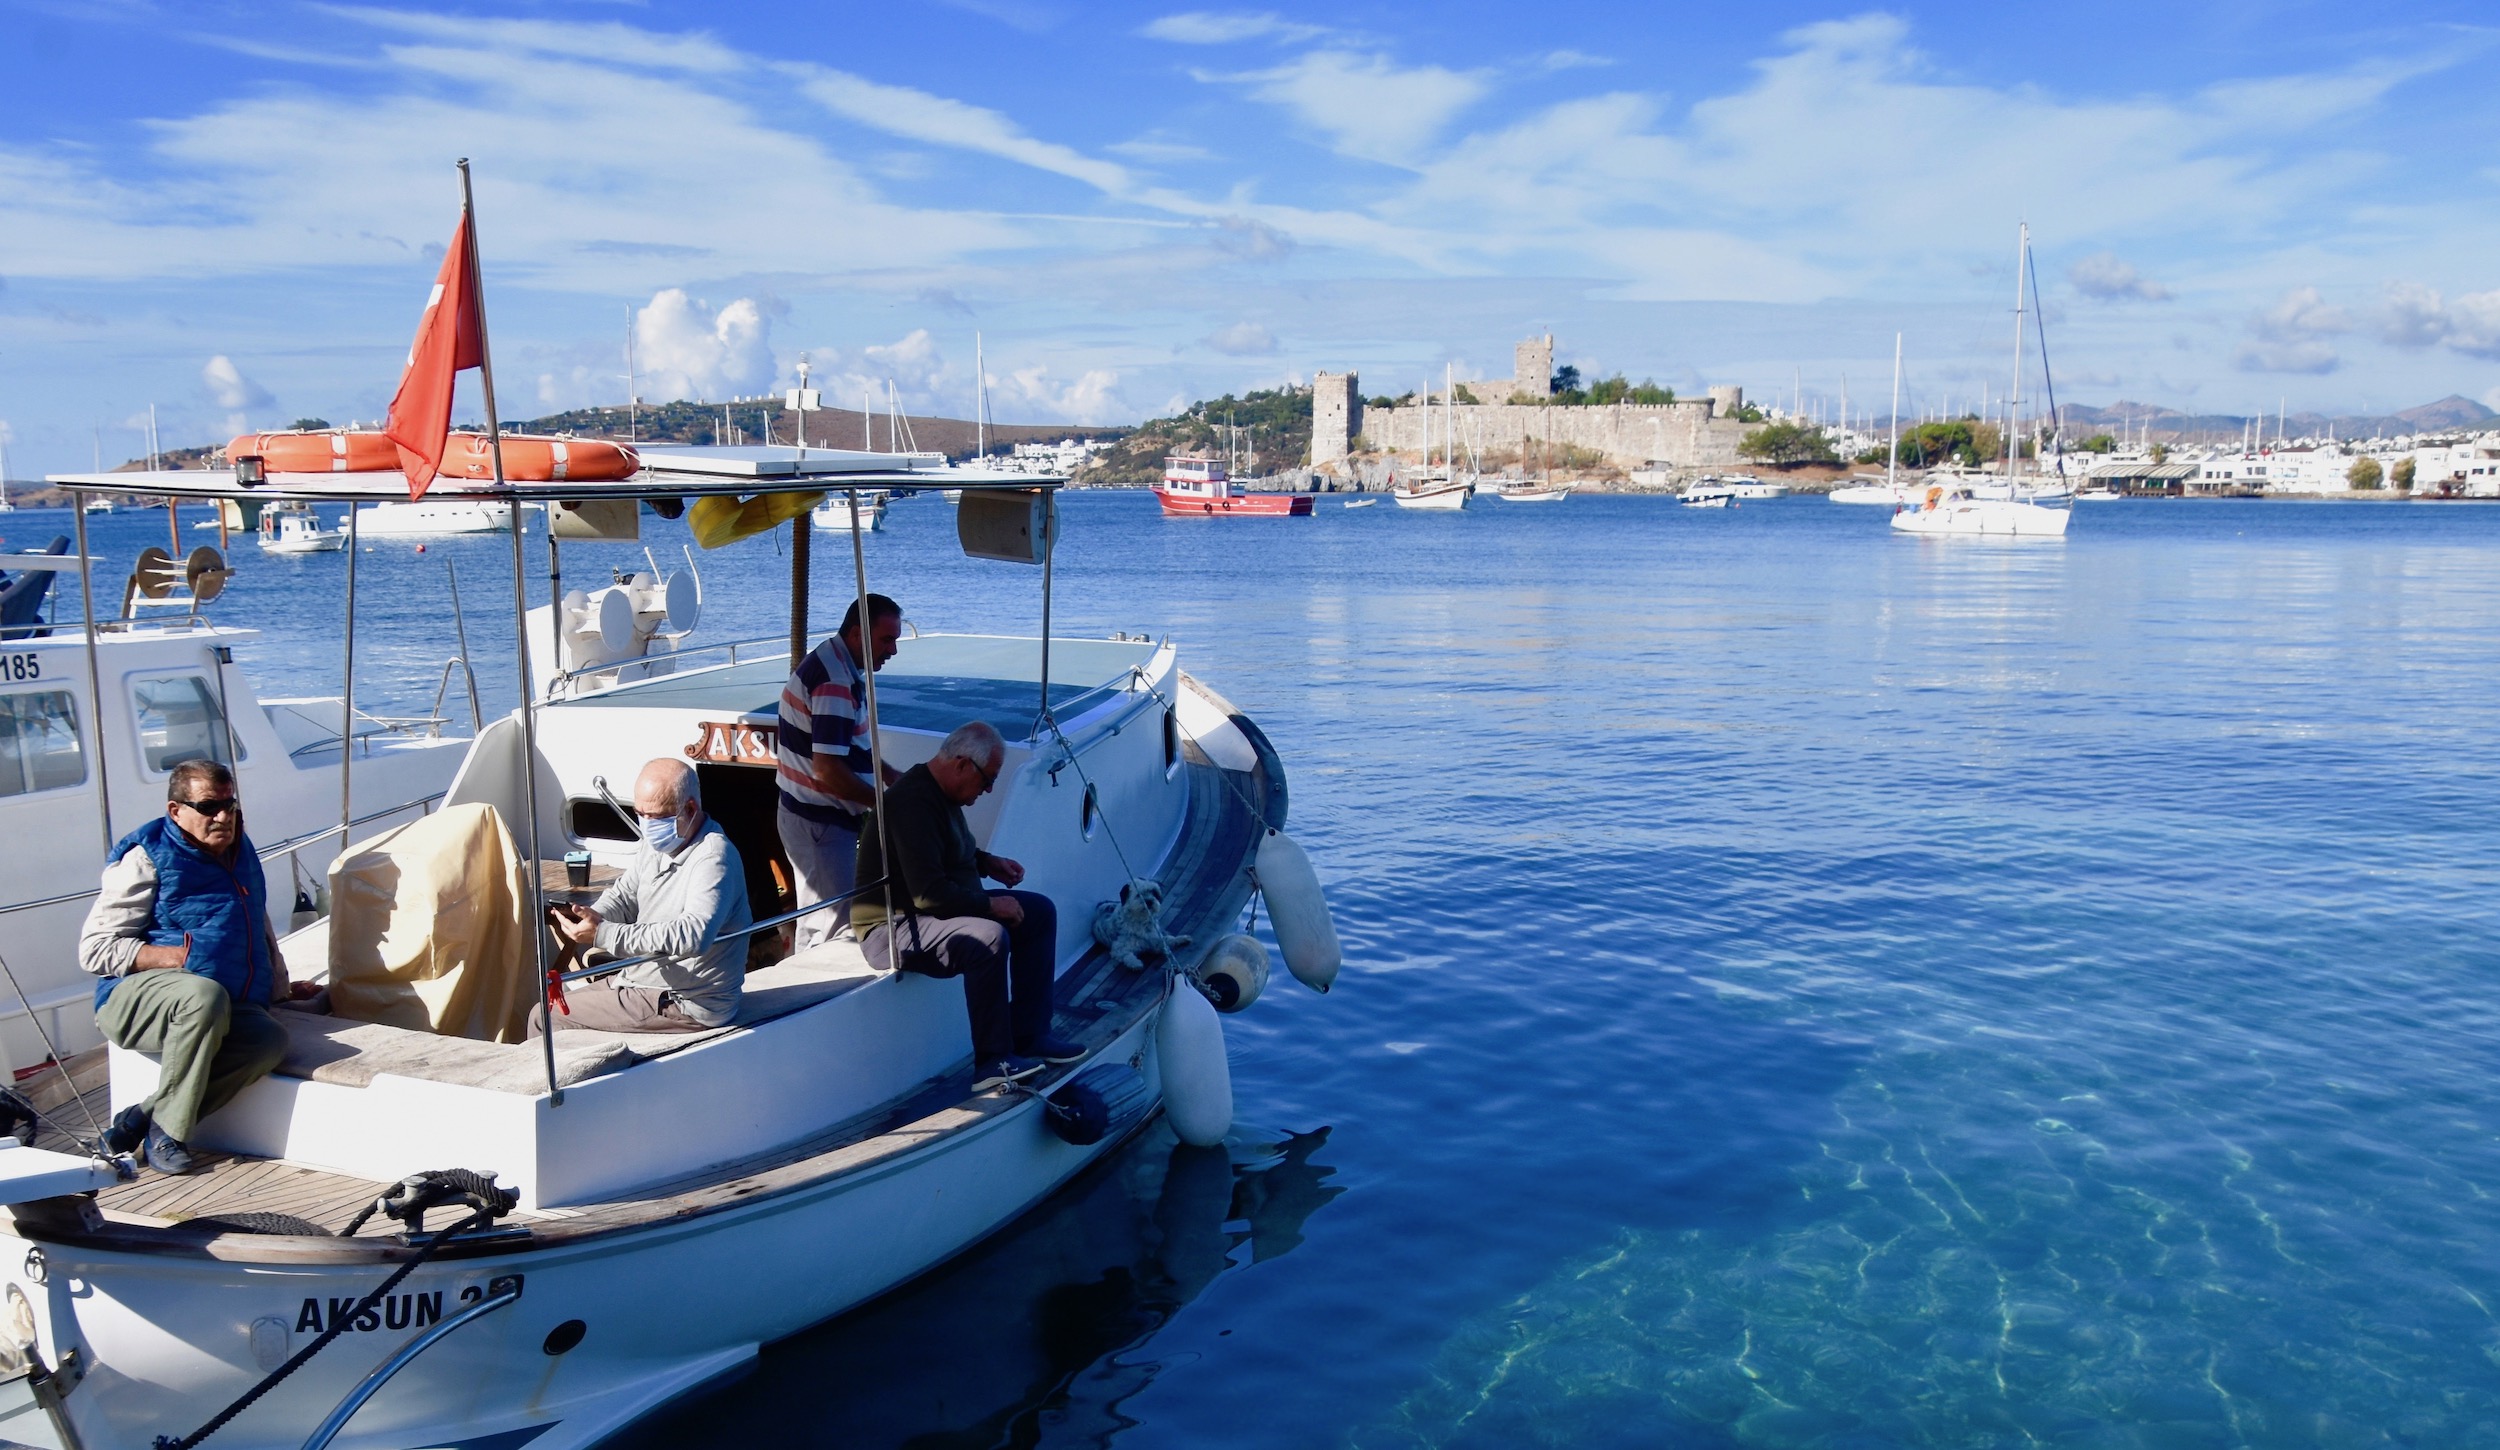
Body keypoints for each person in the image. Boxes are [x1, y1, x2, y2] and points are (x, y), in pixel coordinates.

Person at [82, 760, 317, 1175]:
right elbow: (95, 951)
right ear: (176, 810)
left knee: (267, 1040)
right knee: (202, 995)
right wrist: (172, 957)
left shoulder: (240, 849)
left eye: (230, 805)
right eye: (209, 807)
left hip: (217, 1004)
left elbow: (255, 922)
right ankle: (170, 1133)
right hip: (133, 1002)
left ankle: (142, 1118)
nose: (223, 817)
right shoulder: (146, 857)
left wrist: (280, 988)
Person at [853, 721, 1082, 1088]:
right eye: (987, 779)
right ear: (961, 764)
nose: (989, 789)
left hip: (929, 913)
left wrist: (986, 861)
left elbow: (942, 850)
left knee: (1038, 913)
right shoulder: (912, 801)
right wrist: (991, 907)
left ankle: (1030, 1035)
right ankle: (992, 1062)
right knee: (988, 937)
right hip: (893, 928)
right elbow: (928, 894)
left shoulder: (939, 794)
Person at [531, 758, 753, 1038]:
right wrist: (591, 916)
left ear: (690, 808)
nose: (647, 825)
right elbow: (624, 895)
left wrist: (603, 933)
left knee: (542, 1016)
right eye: (640, 814)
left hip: (685, 1002)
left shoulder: (714, 858)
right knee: (550, 999)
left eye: (657, 817)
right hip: (643, 981)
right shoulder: (655, 846)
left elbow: (694, 935)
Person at [777, 593, 903, 950]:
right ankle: (813, 996)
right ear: (857, 634)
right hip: (820, 824)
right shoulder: (834, 683)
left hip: (812, 818)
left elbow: (846, 746)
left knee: (821, 918)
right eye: (886, 640)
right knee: (828, 929)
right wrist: (882, 803)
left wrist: (888, 774)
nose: (892, 650)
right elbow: (829, 771)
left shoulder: (833, 660)